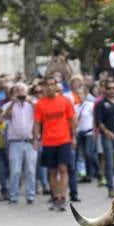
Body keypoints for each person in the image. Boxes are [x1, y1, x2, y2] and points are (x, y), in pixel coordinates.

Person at [35, 78, 77, 210]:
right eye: (47, 85)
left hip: (64, 139)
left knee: (63, 169)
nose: (50, 87)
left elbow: (72, 119)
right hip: (48, 141)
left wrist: (74, 136)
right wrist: (36, 139)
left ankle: (63, 197)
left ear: (56, 86)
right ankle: (56, 197)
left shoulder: (65, 101)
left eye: (52, 84)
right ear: (44, 88)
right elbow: (37, 123)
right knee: (52, 171)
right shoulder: (40, 104)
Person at [4, 82, 37, 204]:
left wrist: (30, 101)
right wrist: (13, 102)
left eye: (23, 90)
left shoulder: (32, 104)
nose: (21, 93)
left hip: (29, 141)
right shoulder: (10, 105)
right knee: (15, 170)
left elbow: (39, 115)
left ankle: (31, 195)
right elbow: (5, 116)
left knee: (30, 170)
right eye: (18, 90)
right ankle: (13, 196)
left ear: (27, 92)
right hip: (15, 142)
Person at [76, 86, 100, 183]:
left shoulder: (90, 105)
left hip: (89, 132)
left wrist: (95, 130)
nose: (79, 95)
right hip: (80, 133)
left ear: (85, 95)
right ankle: (88, 174)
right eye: (78, 94)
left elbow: (95, 117)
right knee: (84, 155)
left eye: (81, 93)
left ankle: (98, 171)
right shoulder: (76, 107)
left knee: (89, 153)